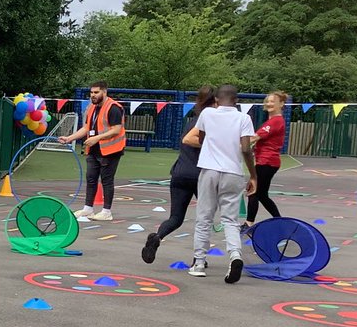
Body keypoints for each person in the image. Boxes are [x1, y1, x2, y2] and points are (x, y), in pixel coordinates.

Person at [186, 84, 257, 283]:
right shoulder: (244, 118)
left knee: (204, 217)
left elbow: (201, 138)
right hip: (233, 172)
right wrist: (253, 175)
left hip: (209, 170)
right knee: (230, 220)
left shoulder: (207, 114)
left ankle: (199, 263)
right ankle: (235, 256)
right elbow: (246, 149)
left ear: (216, 100)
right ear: (236, 101)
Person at [142, 86, 217, 264]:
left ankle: (158, 236)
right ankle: (199, 258)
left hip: (180, 172)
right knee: (204, 220)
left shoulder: (191, 121)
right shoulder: (212, 122)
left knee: (175, 217)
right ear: (215, 102)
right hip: (201, 175)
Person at [57, 81, 125, 221]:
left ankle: (106, 212)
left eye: (96, 92)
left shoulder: (113, 108)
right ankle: (88, 209)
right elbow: (86, 127)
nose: (93, 95)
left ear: (104, 92)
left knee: (106, 180)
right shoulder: (91, 108)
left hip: (110, 150)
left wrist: (97, 138)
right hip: (93, 149)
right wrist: (69, 138)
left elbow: (116, 130)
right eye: (91, 92)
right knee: (91, 178)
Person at [242, 91, 287, 235]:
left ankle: (249, 224)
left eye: (273, 101)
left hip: (267, 161)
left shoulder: (276, 121)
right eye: (267, 101)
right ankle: (279, 222)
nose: (269, 103)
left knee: (254, 191)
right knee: (262, 194)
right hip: (267, 161)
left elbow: (254, 138)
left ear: (281, 104)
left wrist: (233, 144)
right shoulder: (271, 121)